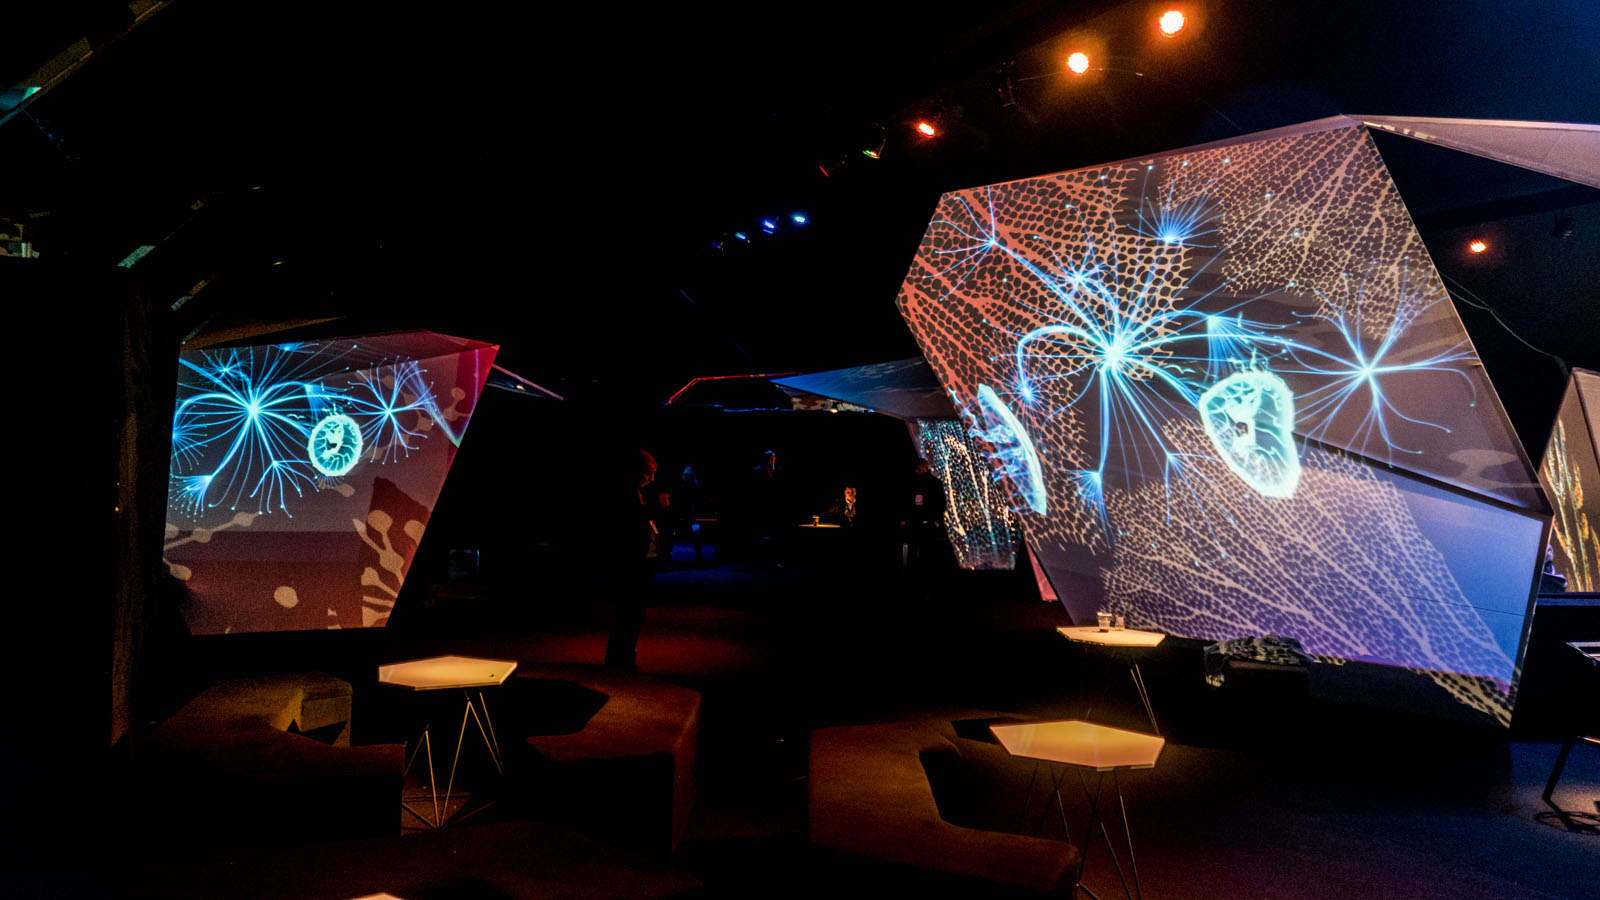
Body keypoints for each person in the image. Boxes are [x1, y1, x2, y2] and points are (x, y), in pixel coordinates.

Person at [604, 450, 663, 669]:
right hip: (632, 562)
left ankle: (623, 655)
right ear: (635, 471)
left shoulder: (639, 493)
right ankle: (620, 657)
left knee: (633, 613)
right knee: (629, 612)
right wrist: (656, 508)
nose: (652, 478)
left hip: (641, 560)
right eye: (648, 473)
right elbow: (630, 525)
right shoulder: (626, 494)